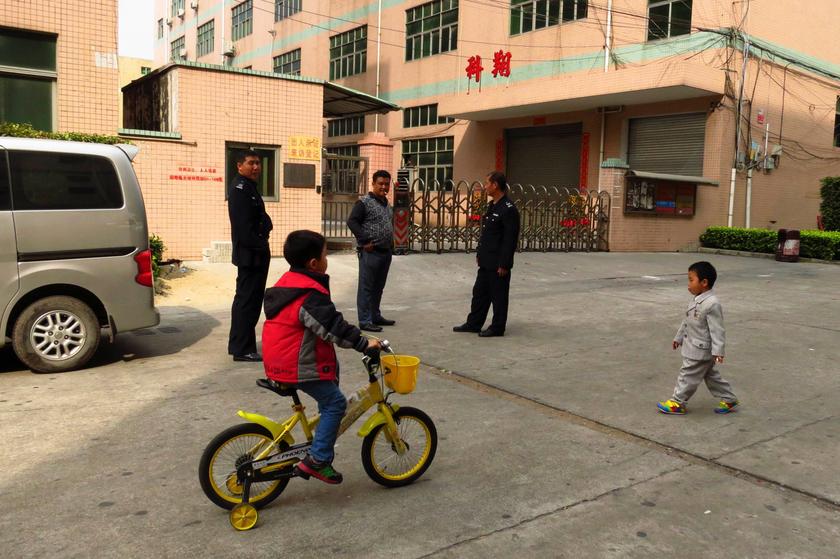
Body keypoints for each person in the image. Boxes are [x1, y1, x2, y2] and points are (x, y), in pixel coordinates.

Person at [262, 230, 381, 484]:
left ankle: (319, 442)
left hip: (280, 359)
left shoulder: (288, 282)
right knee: (336, 404)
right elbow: (332, 327)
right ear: (314, 263)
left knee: (328, 396)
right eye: (326, 254)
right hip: (295, 364)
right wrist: (363, 343)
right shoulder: (308, 294)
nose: (327, 259)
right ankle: (317, 460)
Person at [658, 261, 739, 415]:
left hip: (700, 350)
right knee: (711, 377)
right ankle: (730, 398)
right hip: (694, 347)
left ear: (704, 282)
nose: (688, 284)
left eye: (691, 280)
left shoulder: (712, 304)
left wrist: (718, 351)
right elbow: (687, 321)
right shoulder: (696, 299)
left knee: (687, 374)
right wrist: (679, 337)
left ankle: (677, 402)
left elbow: (717, 330)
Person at [453, 172, 520, 337]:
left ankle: (497, 327)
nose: (485, 186)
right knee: (479, 294)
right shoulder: (493, 206)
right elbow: (487, 234)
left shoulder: (508, 209)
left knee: (498, 296)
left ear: (495, 185)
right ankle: (474, 323)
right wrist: (479, 253)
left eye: (487, 183)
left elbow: (509, 240)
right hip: (486, 260)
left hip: (498, 262)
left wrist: (504, 264)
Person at [227, 150, 273, 362]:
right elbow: (244, 229)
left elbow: (262, 219)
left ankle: (242, 345)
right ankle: (242, 348)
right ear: (239, 166)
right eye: (251, 163)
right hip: (250, 255)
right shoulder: (240, 189)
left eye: (258, 163)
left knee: (251, 301)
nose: (256, 167)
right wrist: (260, 245)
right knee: (247, 301)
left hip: (255, 253)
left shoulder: (249, 187)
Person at [347, 170, 395, 333]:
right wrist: (364, 240)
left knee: (378, 287)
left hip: (385, 251)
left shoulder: (386, 203)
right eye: (380, 183)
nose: (383, 187)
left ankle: (375, 315)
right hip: (370, 252)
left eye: (386, 184)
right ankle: (365, 320)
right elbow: (352, 222)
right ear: (373, 184)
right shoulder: (364, 202)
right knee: (366, 287)